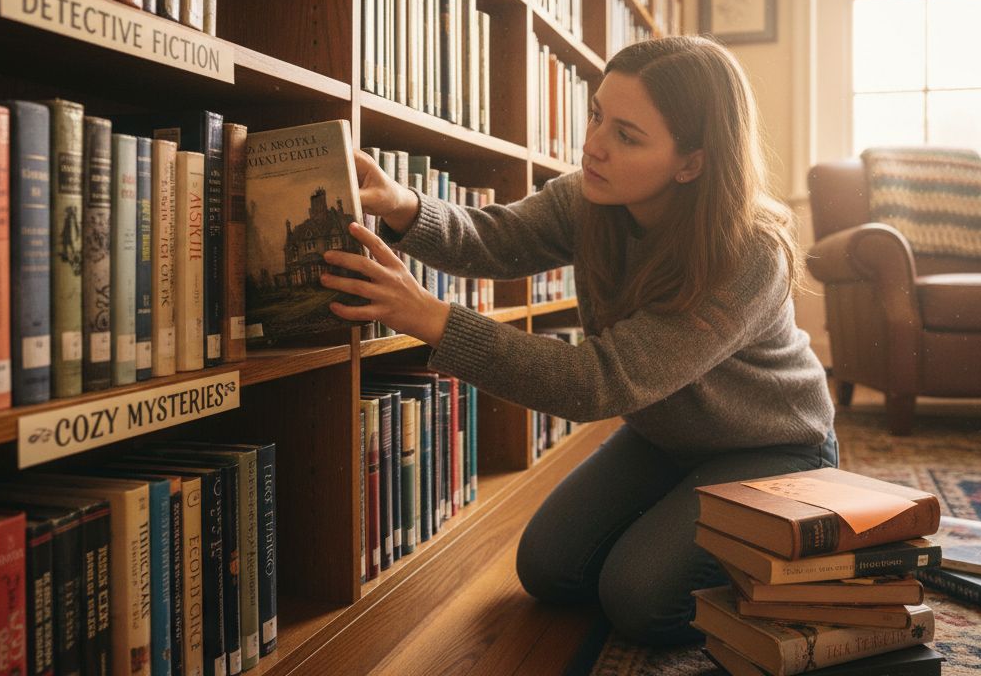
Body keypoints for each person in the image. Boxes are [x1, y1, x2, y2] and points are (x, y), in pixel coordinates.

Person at [320, 35, 836, 645]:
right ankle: (688, 527)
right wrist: (402, 204)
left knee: (641, 602)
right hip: (665, 440)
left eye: (627, 135)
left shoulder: (749, 252)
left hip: (773, 449)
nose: (592, 146)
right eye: (597, 116)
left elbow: (595, 382)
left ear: (691, 162)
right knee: (548, 568)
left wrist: (432, 319)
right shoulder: (590, 196)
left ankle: (811, 559)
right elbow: (497, 237)